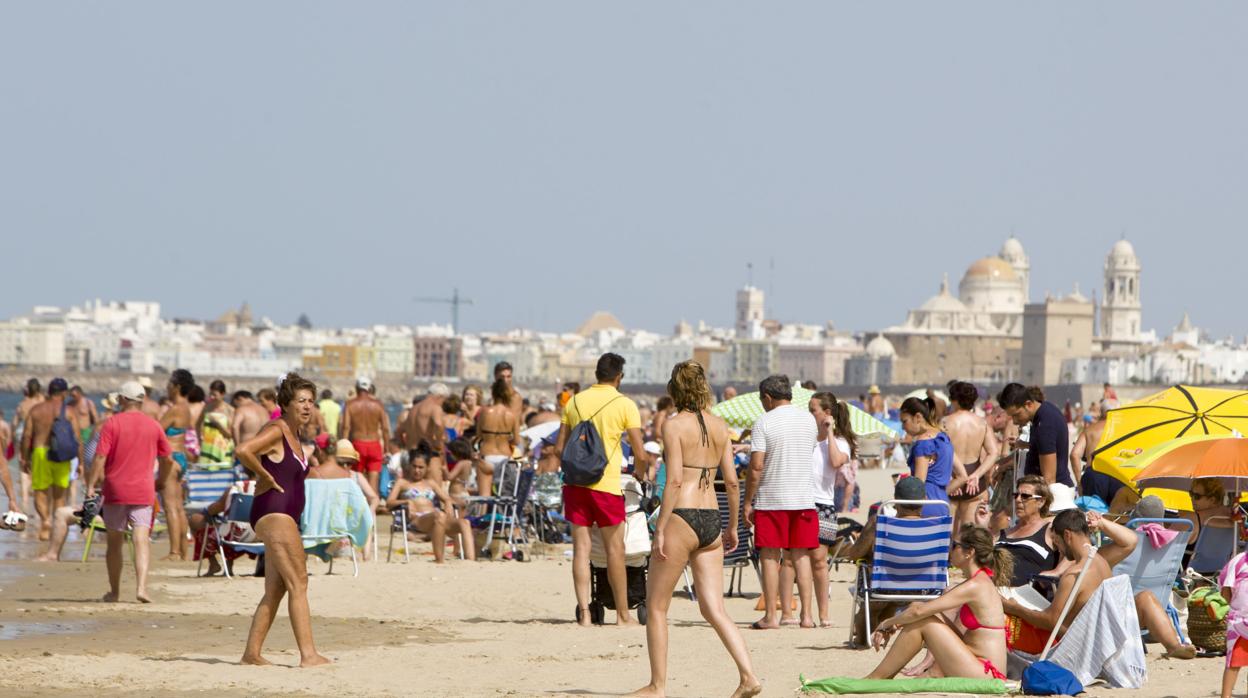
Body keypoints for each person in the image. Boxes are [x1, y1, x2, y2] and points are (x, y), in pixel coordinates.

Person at [629, 360, 761, 698]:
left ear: (675, 390)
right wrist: (732, 526)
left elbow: (674, 480)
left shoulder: (674, 425)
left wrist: (660, 527)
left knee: (656, 606)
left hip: (681, 515)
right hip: (711, 516)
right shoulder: (720, 426)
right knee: (715, 608)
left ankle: (657, 686)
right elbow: (732, 482)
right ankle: (748, 676)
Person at [1002, 509, 1195, 658]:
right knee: (1146, 598)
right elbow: (1130, 541)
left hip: (1091, 643)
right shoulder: (1099, 559)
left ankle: (1174, 647)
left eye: (1056, 541)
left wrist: (1015, 608)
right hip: (1112, 631)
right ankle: (1174, 645)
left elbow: (1052, 621)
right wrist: (1102, 524)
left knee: (1144, 598)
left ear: (1067, 535)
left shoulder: (1075, 573)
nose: (1057, 548)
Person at [236, 373, 330, 667]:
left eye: (311, 401)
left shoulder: (294, 434)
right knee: (299, 582)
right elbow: (243, 450)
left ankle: (251, 654)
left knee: (276, 589)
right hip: (274, 514)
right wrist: (263, 475)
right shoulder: (277, 429)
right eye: (301, 401)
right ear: (286, 403)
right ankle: (309, 655)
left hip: (283, 515)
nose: (307, 406)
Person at [553, 352, 650, 627]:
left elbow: (559, 448)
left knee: (581, 551)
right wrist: (639, 474)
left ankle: (585, 614)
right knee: (615, 550)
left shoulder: (574, 401)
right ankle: (622, 615)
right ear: (619, 376)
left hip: (576, 485)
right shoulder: (624, 404)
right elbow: (641, 454)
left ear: (596, 374)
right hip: (606, 485)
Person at [867, 527, 1013, 681]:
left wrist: (886, 623)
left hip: (986, 672)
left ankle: (876, 678)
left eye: (954, 545)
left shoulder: (975, 585)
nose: (949, 550)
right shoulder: (978, 581)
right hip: (979, 665)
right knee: (922, 616)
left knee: (922, 621)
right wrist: (897, 623)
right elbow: (922, 610)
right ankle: (880, 677)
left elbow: (919, 612)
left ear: (969, 552)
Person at [79, 380, 173, 601]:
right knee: (141, 538)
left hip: (116, 489)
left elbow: (100, 457)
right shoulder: (153, 425)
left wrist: (91, 485)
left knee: (114, 542)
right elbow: (167, 459)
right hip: (143, 489)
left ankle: (115, 592)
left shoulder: (112, 423)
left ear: (122, 399)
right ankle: (141, 588)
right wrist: (162, 480)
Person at [742, 374, 818, 630]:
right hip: (804, 497)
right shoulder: (808, 420)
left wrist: (748, 501)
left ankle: (771, 616)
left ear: (767, 397)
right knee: (801, 556)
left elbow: (756, 467)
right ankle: (807, 616)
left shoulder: (764, 421)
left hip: (772, 497)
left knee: (770, 555)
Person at [806, 391, 855, 628]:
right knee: (794, 560)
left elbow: (835, 462)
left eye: (812, 410)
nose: (809, 414)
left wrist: (830, 432)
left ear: (826, 413)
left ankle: (823, 613)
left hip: (823, 504)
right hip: (800, 501)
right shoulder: (805, 436)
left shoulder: (840, 442)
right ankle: (801, 614)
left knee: (819, 560)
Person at [385, 454, 474, 563]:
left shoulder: (431, 483)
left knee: (465, 523)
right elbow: (389, 503)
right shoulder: (402, 483)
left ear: (427, 468)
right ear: (409, 466)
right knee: (439, 515)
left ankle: (470, 561)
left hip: (437, 519)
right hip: (417, 520)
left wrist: (447, 502)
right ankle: (439, 560)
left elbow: (447, 498)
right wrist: (407, 501)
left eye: (421, 467)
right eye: (414, 466)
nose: (417, 470)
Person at [21, 378, 77, 541]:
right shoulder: (69, 411)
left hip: (40, 452)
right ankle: (56, 524)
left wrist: (25, 458)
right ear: (64, 393)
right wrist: (79, 461)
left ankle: (45, 520)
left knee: (40, 491)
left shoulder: (36, 410)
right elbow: (77, 439)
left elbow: (26, 436)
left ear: (49, 392)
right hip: (62, 454)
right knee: (59, 495)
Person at [308, 438, 379, 560]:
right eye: (342, 463)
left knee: (365, 515)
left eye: (349, 463)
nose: (346, 466)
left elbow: (374, 498)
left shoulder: (356, 476)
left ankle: (366, 557)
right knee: (363, 517)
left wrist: (369, 510)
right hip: (335, 517)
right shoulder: (329, 476)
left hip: (348, 516)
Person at [944, 382, 1000, 528]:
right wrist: (976, 475)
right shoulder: (982, 423)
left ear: (953, 400)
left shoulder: (944, 423)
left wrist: (952, 478)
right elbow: (993, 452)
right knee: (970, 535)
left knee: (945, 536)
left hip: (951, 479)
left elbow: (937, 454)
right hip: (974, 482)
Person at [997, 384, 1072, 488]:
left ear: (1029, 404)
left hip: (1051, 491)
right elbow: (1043, 445)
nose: (1014, 421)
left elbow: (1049, 479)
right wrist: (1024, 444)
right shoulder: (1043, 412)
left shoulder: (1045, 424)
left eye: (1016, 415)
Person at [899, 397, 961, 517]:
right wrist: (940, 493)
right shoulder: (943, 438)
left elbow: (919, 484)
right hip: (942, 504)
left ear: (917, 417)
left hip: (923, 506)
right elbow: (962, 476)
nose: (902, 427)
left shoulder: (923, 443)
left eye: (904, 421)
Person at [994, 475, 1059, 587]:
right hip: (994, 590)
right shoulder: (1003, 532)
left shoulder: (1050, 529)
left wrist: (1057, 571)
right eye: (1016, 495)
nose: (1018, 500)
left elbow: (1076, 554)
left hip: (1025, 594)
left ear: (1041, 502)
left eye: (1025, 496)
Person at [158, 369, 195, 561]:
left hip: (170, 459)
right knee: (179, 507)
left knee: (170, 506)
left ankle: (174, 552)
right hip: (181, 457)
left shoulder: (174, 409)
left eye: (170, 384)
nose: (167, 387)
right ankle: (182, 551)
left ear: (177, 387)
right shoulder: (186, 407)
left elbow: (157, 431)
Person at [342, 377, 391, 495]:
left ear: (356, 388)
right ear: (369, 389)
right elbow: (385, 428)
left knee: (356, 478)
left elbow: (346, 427)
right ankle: (372, 503)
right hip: (374, 445)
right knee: (373, 479)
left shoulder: (350, 405)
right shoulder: (378, 405)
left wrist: (344, 446)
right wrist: (387, 449)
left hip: (357, 444)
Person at [473, 378, 518, 498]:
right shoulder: (511, 414)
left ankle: (483, 510)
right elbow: (517, 441)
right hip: (504, 457)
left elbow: (479, 435)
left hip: (487, 455)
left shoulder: (485, 412)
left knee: (484, 497)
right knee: (504, 497)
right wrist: (505, 438)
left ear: (493, 393)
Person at [397, 383, 450, 485]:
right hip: (428, 453)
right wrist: (438, 443)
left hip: (411, 454)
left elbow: (400, 430)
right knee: (435, 489)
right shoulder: (435, 408)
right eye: (444, 400)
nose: (443, 404)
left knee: (410, 489)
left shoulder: (414, 409)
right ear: (440, 396)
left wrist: (404, 445)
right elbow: (438, 424)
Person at [1071, 399, 1121, 505]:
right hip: (1117, 474)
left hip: (1094, 475)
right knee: (1116, 513)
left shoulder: (1090, 429)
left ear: (1101, 412)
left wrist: (1079, 483)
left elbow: (1074, 454)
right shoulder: (1123, 430)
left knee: (1092, 512)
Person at [1219, 551, 1248, 698]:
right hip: (1239, 621)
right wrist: (1233, 609)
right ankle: (1226, 695)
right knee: (1234, 661)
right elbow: (1226, 588)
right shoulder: (1240, 560)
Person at [13, 378, 44, 514]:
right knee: (36, 465)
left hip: (21, 433)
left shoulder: (22, 404)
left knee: (22, 465)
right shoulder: (41, 403)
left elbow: (15, 423)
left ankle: (25, 498)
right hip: (37, 434)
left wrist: (12, 436)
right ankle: (36, 493)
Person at [198, 380, 235, 463]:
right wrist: (199, 439)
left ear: (223, 394)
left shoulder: (229, 410)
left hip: (222, 449)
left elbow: (230, 434)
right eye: (210, 394)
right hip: (207, 449)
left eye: (214, 395)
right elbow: (198, 424)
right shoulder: (207, 407)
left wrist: (217, 424)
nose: (212, 397)